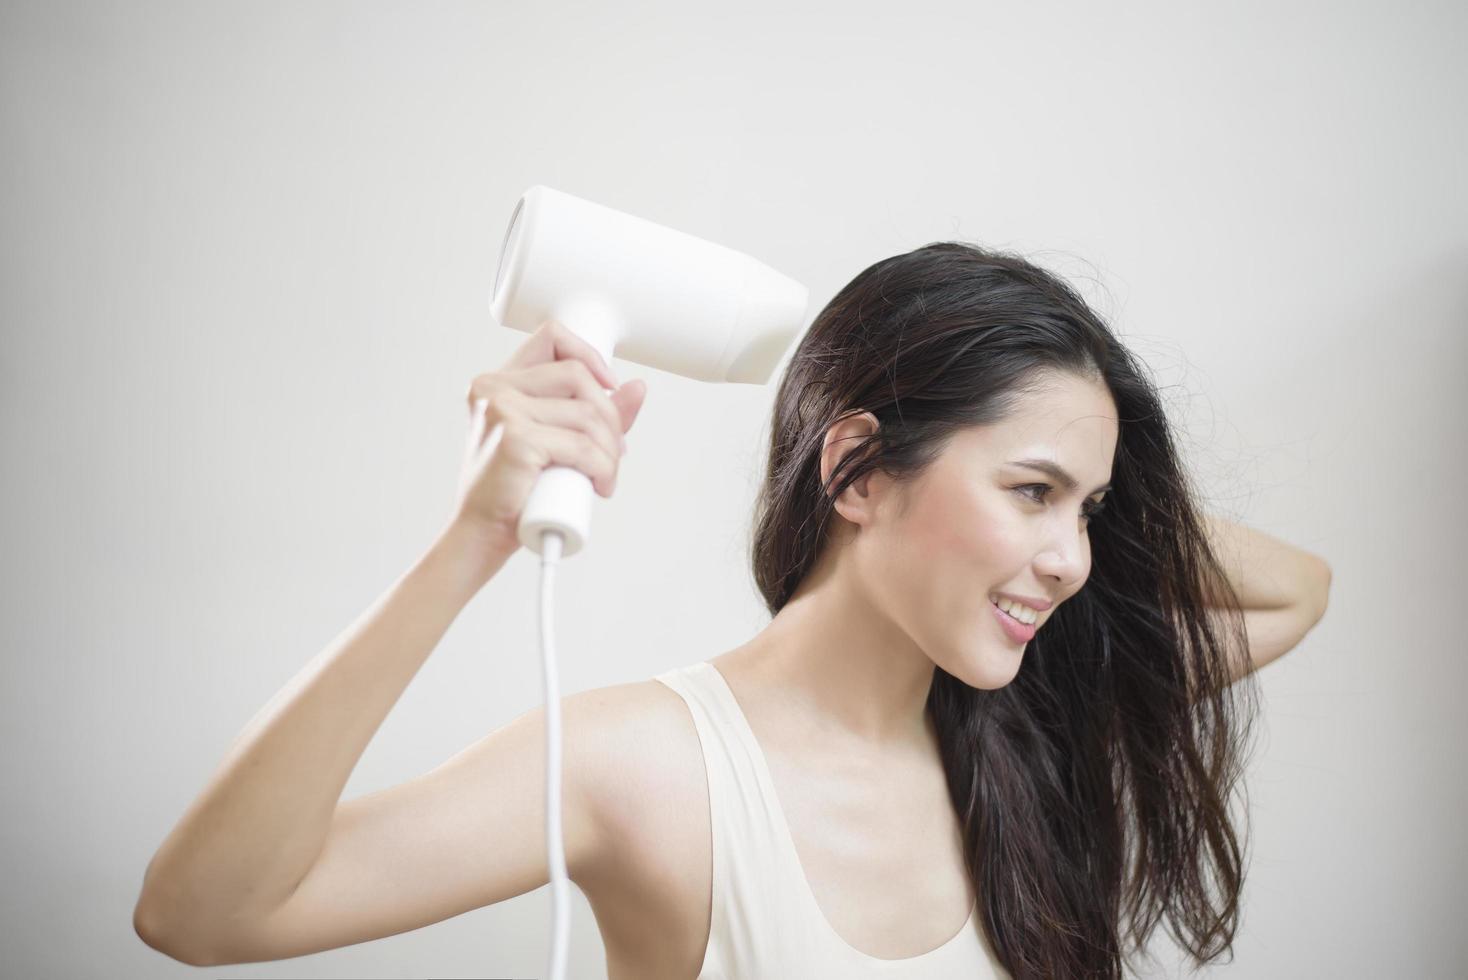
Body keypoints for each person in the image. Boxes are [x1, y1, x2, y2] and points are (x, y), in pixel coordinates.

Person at [132, 242, 1332, 978]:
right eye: (1028, 490)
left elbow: (1301, 587)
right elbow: (204, 912)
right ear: (856, 468)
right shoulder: (647, 767)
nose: (1072, 557)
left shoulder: (1025, 733)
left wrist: (1079, 498)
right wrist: (473, 544)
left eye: (1093, 511)